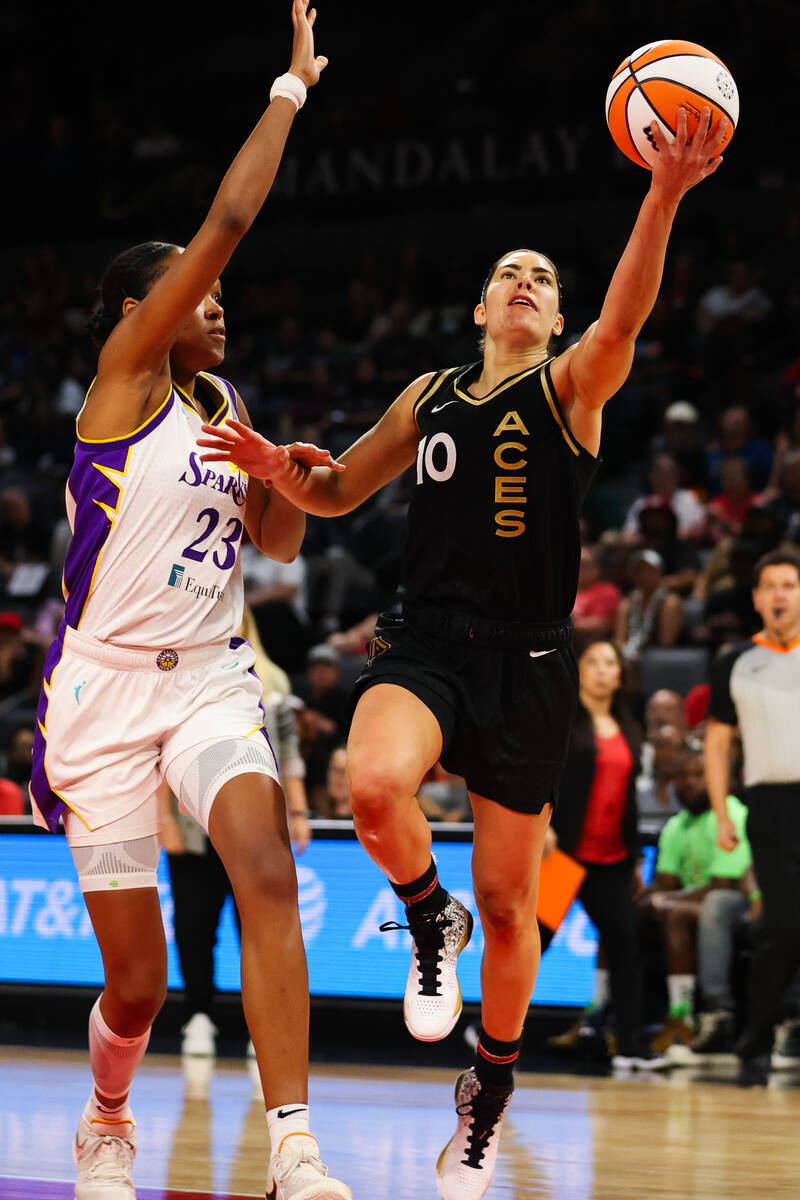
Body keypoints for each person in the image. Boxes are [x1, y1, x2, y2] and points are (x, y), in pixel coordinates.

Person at [198, 108, 727, 1198]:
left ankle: (485, 1092)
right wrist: (272, 464)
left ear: (556, 314)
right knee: (375, 780)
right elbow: (338, 489)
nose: (525, 281)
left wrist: (662, 193)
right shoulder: (427, 395)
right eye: (507, 274)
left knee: (509, 905)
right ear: (480, 307)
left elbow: (625, 317)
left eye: (541, 275)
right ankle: (420, 911)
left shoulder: (570, 390)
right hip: (429, 642)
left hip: (530, 666)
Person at [27, 7, 352, 1198]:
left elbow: (269, 546)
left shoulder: (224, 406)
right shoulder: (120, 385)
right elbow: (226, 219)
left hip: (212, 672)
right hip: (105, 690)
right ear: (135, 315)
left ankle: (295, 1145)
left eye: (215, 296)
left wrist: (283, 480)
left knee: (264, 873)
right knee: (138, 984)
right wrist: (290, 89)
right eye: (190, 294)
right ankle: (108, 1115)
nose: (216, 300)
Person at [162, 606, 312, 1058]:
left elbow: (289, 756)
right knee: (193, 927)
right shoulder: (176, 677)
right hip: (191, 829)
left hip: (256, 830)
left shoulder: (274, 686)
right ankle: (198, 1016)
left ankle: (261, 1026)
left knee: (259, 927)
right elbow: (156, 755)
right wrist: (164, 819)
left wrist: (299, 811)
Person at [543, 637, 667, 1070]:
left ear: (620, 674)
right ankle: (492, 1033)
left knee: (625, 944)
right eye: (592, 661)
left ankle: (631, 1046)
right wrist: (543, 824)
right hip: (563, 852)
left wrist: (635, 857)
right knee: (528, 944)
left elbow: (628, 799)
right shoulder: (561, 720)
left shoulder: (628, 726)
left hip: (611, 859)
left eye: (609, 663)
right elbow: (540, 775)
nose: (601, 669)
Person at [705, 547, 800, 1086]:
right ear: (758, 598)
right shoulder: (737, 661)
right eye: (772, 586)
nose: (782, 594)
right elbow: (717, 743)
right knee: (783, 925)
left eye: (790, 584)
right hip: (768, 805)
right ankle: (755, 1039)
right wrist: (722, 813)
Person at [638, 744, 752, 1058]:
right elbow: (664, 883)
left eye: (699, 774)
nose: (690, 782)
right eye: (683, 775)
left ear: (720, 778)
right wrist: (653, 899)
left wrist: (665, 899)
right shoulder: (677, 825)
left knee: (679, 911)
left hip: (738, 906)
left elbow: (722, 885)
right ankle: (609, 1012)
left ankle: (685, 1016)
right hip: (693, 905)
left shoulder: (732, 814)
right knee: (625, 913)